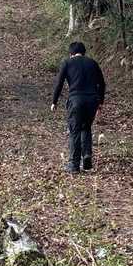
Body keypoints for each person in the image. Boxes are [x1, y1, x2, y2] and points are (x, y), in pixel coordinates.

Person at [50, 41, 106, 173]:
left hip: (76, 100)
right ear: (84, 52)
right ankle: (87, 156)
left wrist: (54, 101)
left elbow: (59, 83)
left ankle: (73, 165)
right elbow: (102, 83)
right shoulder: (93, 63)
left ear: (71, 53)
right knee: (86, 127)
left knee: (74, 130)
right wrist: (100, 102)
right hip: (92, 101)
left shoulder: (67, 63)